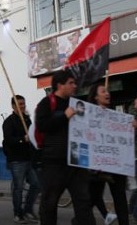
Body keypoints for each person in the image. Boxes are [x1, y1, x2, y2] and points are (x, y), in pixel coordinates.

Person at [35, 70, 95, 225]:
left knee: (83, 202)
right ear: (60, 85)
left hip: (76, 161)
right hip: (55, 162)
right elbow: (42, 126)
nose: (74, 86)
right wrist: (64, 116)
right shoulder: (47, 103)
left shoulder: (76, 104)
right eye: (71, 83)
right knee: (50, 202)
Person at [82, 83, 128, 225]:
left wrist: (132, 127)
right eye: (103, 91)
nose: (107, 93)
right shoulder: (86, 116)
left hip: (115, 165)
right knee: (92, 198)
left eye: (107, 91)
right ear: (95, 97)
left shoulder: (116, 116)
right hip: (97, 168)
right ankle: (78, 220)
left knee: (120, 199)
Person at [2, 95, 39, 223]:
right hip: (17, 160)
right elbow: (8, 140)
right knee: (18, 188)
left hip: (29, 158)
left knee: (36, 184)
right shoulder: (9, 122)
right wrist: (22, 139)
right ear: (13, 106)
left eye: (23, 104)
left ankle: (28, 210)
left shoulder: (27, 120)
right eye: (19, 104)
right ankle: (18, 213)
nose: (22, 106)